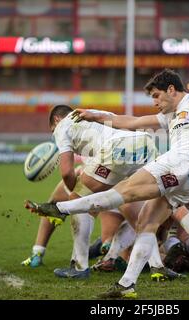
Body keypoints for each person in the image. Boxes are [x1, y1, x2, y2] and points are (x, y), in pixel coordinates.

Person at [25, 69, 189, 298]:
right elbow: (133, 122)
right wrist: (95, 115)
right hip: (188, 180)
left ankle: (60, 209)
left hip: (176, 165)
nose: (155, 102)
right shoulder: (170, 115)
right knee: (146, 222)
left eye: (157, 96)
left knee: (122, 192)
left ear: (172, 89)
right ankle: (135, 282)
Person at [24, 105, 158, 279]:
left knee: (76, 198)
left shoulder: (62, 126)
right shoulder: (93, 113)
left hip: (118, 150)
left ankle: (80, 267)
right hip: (145, 144)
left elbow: (66, 172)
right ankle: (158, 266)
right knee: (144, 214)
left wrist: (76, 197)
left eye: (52, 130)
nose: (53, 133)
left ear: (57, 119)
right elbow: (124, 123)